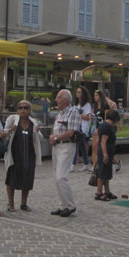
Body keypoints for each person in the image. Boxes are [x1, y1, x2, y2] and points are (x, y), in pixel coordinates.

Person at [4, 100, 43, 212]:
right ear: (17, 110)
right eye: (20, 107)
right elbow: (4, 132)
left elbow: (40, 139)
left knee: (27, 178)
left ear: (29, 110)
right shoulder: (12, 120)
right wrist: (10, 130)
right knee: (12, 178)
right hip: (15, 155)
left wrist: (37, 132)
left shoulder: (33, 122)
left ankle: (23, 203)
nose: (23, 110)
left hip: (29, 155)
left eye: (26, 108)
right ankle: (10, 203)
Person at [49, 89, 82, 217]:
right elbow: (57, 129)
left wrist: (56, 137)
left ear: (65, 100)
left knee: (61, 177)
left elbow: (71, 132)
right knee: (56, 177)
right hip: (56, 146)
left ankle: (70, 205)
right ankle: (63, 205)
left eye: (58, 97)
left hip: (66, 146)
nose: (56, 100)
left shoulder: (73, 112)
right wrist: (52, 136)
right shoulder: (59, 114)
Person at [92, 88, 121, 173]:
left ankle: (116, 161)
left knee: (102, 148)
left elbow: (107, 119)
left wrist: (101, 128)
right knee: (94, 148)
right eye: (94, 95)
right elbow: (94, 116)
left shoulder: (106, 105)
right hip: (97, 127)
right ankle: (95, 166)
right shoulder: (95, 105)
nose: (95, 97)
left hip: (103, 128)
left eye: (96, 95)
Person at [95, 109, 119, 201]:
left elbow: (98, 139)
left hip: (107, 151)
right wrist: (105, 154)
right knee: (102, 173)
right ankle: (99, 193)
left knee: (106, 172)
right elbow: (103, 141)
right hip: (105, 151)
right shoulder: (107, 127)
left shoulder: (103, 125)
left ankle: (107, 191)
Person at [72, 86, 93, 172]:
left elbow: (88, 117)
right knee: (82, 146)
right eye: (77, 92)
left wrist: (79, 115)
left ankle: (72, 164)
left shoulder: (87, 105)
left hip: (83, 128)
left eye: (79, 92)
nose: (77, 94)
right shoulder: (77, 104)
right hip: (77, 126)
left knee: (76, 145)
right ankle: (86, 163)